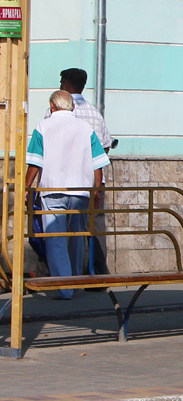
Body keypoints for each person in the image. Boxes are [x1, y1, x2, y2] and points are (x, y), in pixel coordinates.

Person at [26, 91, 110, 299]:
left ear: (52, 106)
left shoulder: (42, 127)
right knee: (77, 237)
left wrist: (27, 188)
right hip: (81, 191)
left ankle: (64, 287)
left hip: (52, 190)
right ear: (71, 107)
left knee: (56, 239)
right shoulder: (85, 128)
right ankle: (74, 280)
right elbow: (98, 163)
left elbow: (35, 162)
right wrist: (96, 190)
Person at [48, 68, 114, 274]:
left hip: (59, 180)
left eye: (61, 81)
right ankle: (97, 272)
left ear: (67, 83)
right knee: (93, 227)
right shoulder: (95, 113)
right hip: (91, 182)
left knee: (54, 230)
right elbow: (104, 147)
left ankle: (55, 275)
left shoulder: (56, 111)